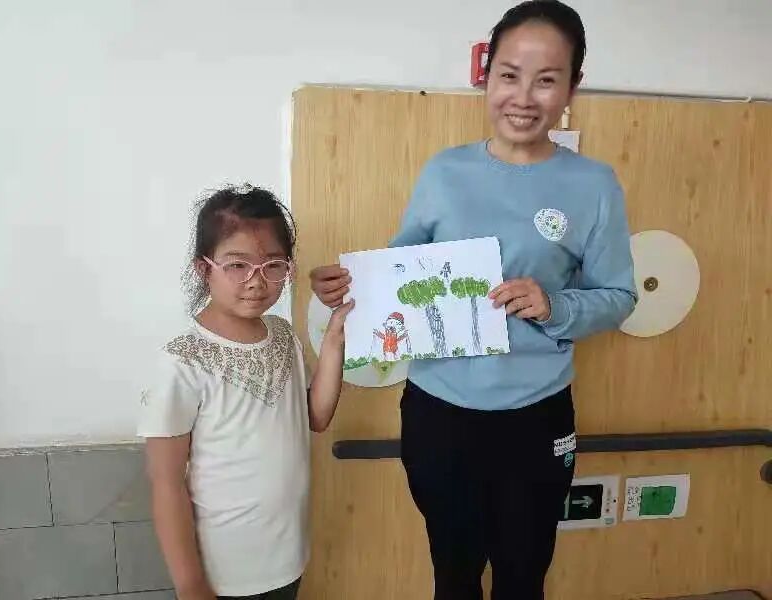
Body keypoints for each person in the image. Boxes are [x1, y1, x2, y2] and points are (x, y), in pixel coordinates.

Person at [309, 1, 637, 598]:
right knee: (454, 574)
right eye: (509, 75)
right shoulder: (444, 173)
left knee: (523, 578)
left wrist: (556, 305)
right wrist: (350, 285)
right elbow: (401, 275)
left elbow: (619, 296)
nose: (524, 97)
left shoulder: (594, 186)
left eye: (547, 80)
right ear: (487, 75)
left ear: (573, 86)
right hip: (439, 413)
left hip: (536, 416)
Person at [138, 184, 353, 600]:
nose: (257, 282)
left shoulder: (282, 335)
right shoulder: (182, 361)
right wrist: (191, 585)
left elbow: (316, 416)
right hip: (224, 574)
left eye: (273, 265)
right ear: (204, 269)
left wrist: (333, 342)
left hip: (287, 557)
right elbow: (166, 484)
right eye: (237, 265)